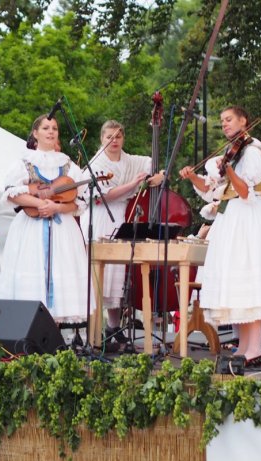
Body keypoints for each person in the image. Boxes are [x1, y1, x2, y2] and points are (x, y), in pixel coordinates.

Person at [198, 105, 261, 367]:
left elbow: (246, 192)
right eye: (222, 120)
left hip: (249, 219)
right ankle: (244, 345)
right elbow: (215, 190)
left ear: (243, 120)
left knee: (251, 279)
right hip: (233, 218)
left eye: (229, 119)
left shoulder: (252, 152)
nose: (225, 124)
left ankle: (255, 347)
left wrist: (228, 170)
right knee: (240, 280)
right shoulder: (233, 153)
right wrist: (206, 173)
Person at [0, 114, 91, 324]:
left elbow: (79, 202)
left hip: (62, 229)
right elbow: (12, 194)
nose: (51, 132)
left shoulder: (68, 165)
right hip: (30, 227)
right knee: (32, 272)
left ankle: (53, 333)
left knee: (59, 273)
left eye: (55, 128)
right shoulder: (24, 162)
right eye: (46, 128)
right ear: (35, 133)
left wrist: (56, 207)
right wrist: (41, 204)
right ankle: (29, 332)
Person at [80, 120, 163, 347]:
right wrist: (133, 185)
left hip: (120, 215)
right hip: (99, 215)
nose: (113, 141)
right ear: (101, 139)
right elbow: (101, 196)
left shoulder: (131, 161)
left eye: (117, 136)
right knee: (97, 274)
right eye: (109, 137)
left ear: (123, 138)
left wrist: (159, 176)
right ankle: (93, 331)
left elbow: (152, 164)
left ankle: (114, 327)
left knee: (117, 274)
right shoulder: (95, 163)